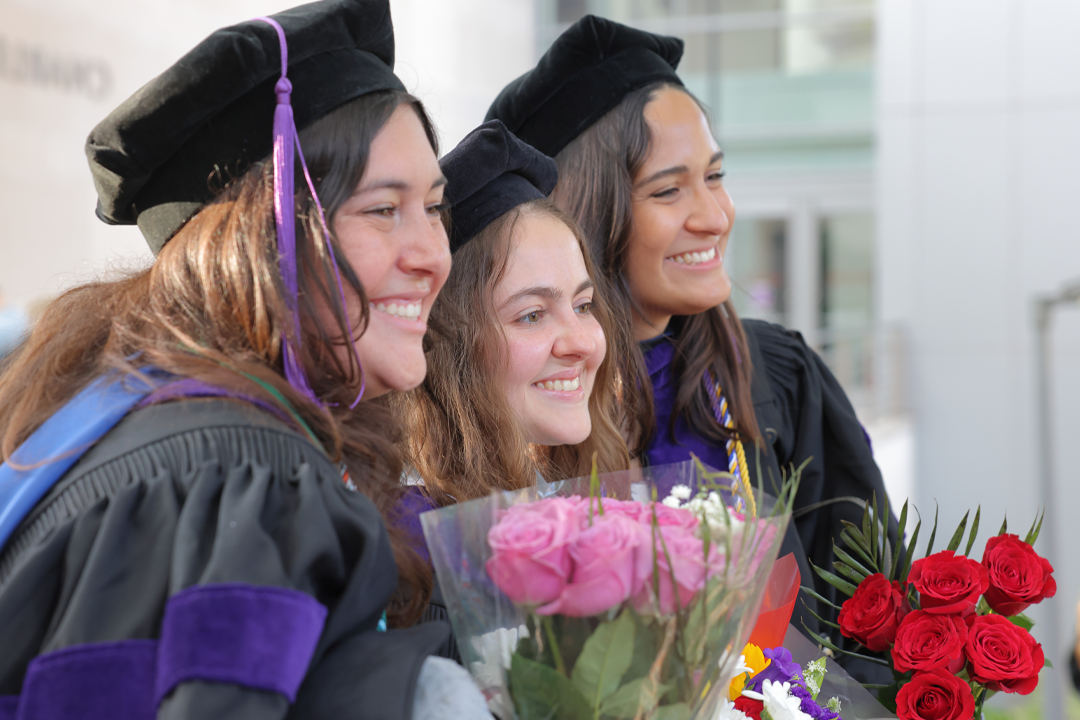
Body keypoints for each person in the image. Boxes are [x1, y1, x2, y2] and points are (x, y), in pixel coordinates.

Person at [0, 2, 489, 718]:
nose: (432, 257)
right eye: (383, 210)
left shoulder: (128, 418)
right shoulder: (245, 478)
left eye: (434, 209)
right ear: (259, 239)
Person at [486, 15, 899, 680]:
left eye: (716, 175)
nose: (715, 214)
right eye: (670, 189)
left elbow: (875, 623)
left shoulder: (775, 379)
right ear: (591, 212)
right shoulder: (520, 403)